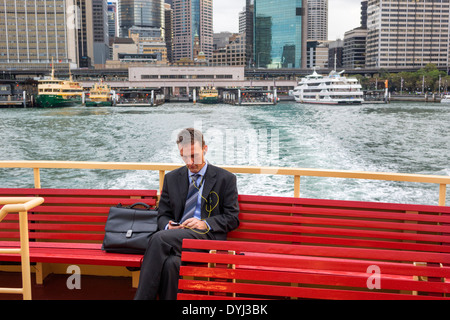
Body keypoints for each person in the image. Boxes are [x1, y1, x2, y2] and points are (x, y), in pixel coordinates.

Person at [134, 128, 240, 300]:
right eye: (184, 157)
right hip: (175, 240)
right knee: (171, 264)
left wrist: (204, 223)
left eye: (194, 155)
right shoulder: (171, 178)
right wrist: (168, 225)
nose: (190, 162)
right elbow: (163, 215)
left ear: (205, 149)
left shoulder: (225, 179)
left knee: (159, 239)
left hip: (207, 239)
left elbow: (232, 218)